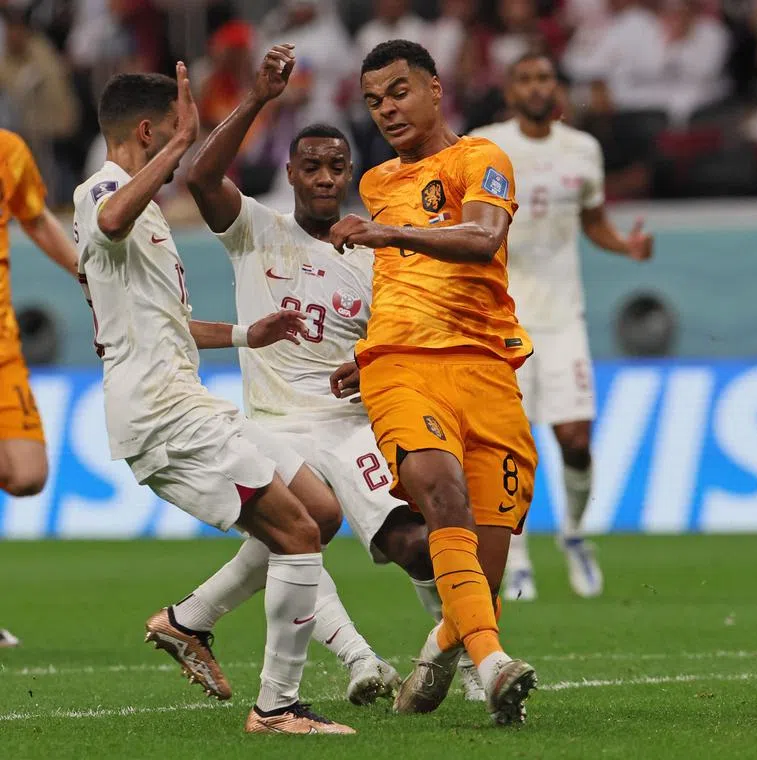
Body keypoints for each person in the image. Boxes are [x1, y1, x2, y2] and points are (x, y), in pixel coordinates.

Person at [179, 43, 484, 704]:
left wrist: (369, 363)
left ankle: (456, 660)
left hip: (350, 423)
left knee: (414, 543)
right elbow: (199, 177)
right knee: (299, 532)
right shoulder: (256, 230)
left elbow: (401, 335)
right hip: (274, 423)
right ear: (290, 172)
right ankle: (358, 660)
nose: (323, 178)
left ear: (350, 173)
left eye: (336, 167)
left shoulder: (374, 254)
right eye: (311, 166)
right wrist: (259, 99)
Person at [74, 65, 353, 734]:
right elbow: (109, 219)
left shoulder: (145, 211)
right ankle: (277, 707)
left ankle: (188, 620)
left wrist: (245, 333)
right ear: (149, 133)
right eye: (175, 132)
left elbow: (164, 321)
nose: (183, 145)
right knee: (296, 535)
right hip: (161, 412)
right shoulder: (102, 191)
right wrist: (181, 146)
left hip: (185, 397)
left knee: (319, 511)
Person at [329, 39, 537, 725]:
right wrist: (368, 350)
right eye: (373, 101)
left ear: (435, 89)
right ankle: (494, 665)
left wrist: (387, 233)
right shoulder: (376, 182)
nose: (386, 110)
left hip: (486, 368)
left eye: (398, 92)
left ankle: (440, 651)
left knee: (483, 573)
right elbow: (399, 282)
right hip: (400, 367)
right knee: (440, 492)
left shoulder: (481, 159)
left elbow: (481, 239)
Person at [469, 52, 652, 602]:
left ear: (557, 88)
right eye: (525, 79)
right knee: (510, 443)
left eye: (544, 78)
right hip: (502, 318)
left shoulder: (583, 149)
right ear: (510, 91)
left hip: (563, 317)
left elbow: (592, 221)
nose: (535, 87)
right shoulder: (485, 146)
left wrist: (625, 245)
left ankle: (573, 532)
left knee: (575, 438)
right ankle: (517, 557)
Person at [0, 128, 79, 648]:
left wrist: (87, 274)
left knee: (27, 475)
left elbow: (35, 218)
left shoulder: (9, 151)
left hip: (4, 349)